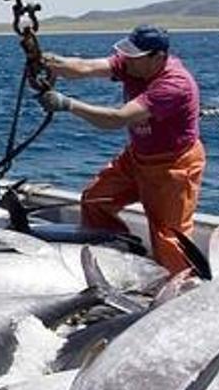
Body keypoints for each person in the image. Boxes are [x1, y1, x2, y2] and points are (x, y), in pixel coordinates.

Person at [37, 24, 205, 274]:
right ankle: (119, 261)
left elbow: (117, 119)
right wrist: (50, 62)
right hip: (137, 157)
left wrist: (68, 104)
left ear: (157, 57)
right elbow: (86, 68)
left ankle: (181, 291)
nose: (126, 61)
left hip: (173, 166)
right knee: (95, 201)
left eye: (134, 57)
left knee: (169, 239)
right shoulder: (133, 64)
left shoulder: (174, 85)